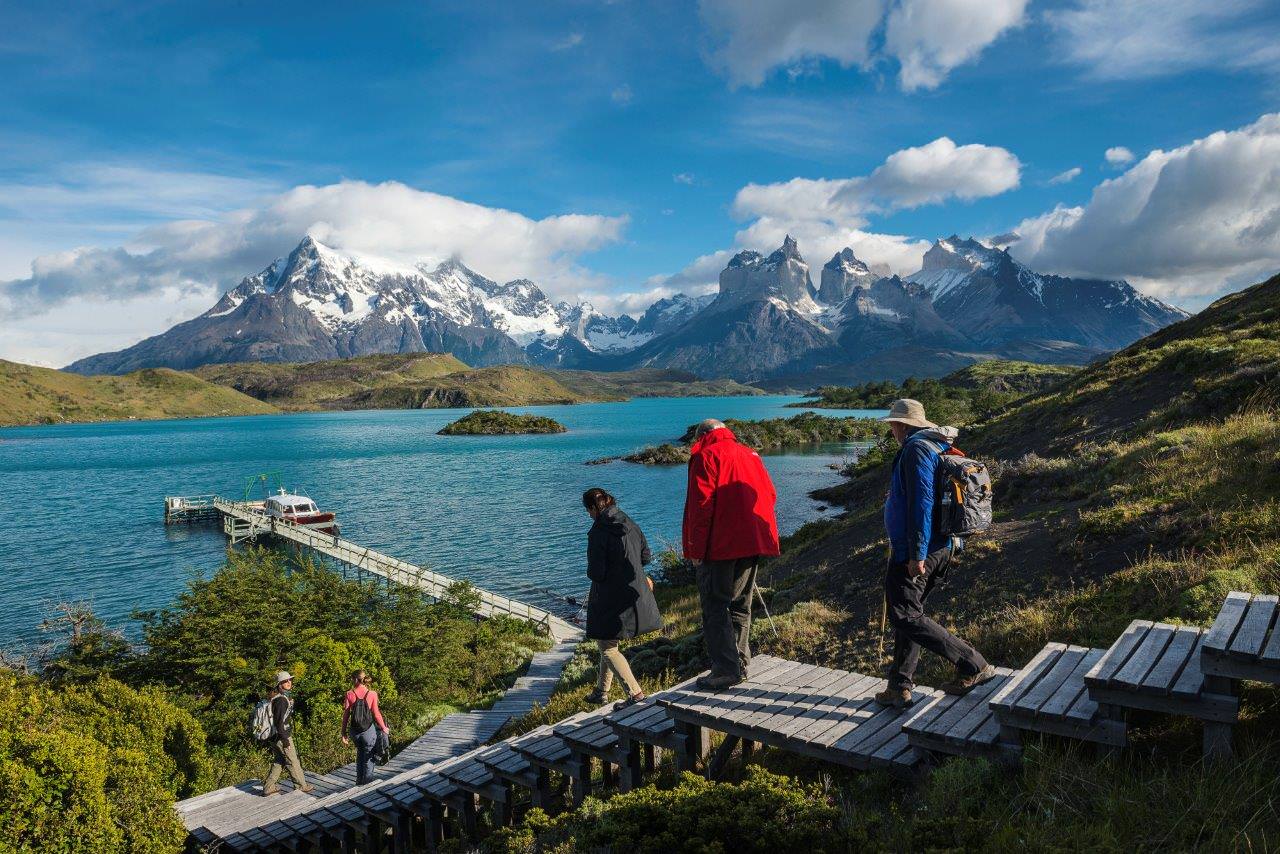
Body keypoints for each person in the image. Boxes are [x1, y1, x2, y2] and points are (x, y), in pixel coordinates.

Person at [874, 399, 996, 707]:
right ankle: (899, 687)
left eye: (893, 425)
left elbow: (923, 503)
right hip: (941, 545)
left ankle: (973, 663)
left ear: (901, 425)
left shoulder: (915, 449)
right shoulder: (936, 446)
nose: (892, 431)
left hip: (920, 550)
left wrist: (916, 554)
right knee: (910, 614)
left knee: (904, 615)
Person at [682, 419, 780, 690]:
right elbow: (769, 494)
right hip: (751, 542)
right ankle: (740, 662)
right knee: (740, 605)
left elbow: (701, 507)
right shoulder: (750, 454)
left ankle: (726, 670)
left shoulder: (706, 456)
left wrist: (695, 550)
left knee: (715, 607)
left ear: (702, 435)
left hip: (719, 546)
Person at [581, 488, 663, 710]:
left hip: (609, 595)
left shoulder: (598, 532)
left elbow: (596, 573)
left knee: (607, 646)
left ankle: (635, 694)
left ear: (593, 508)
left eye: (588, 511)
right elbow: (646, 556)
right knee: (607, 641)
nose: (588, 515)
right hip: (633, 591)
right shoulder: (629, 522)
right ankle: (601, 691)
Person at [263, 671, 315, 796]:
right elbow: (279, 722)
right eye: (285, 681)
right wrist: (285, 740)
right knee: (292, 761)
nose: (289, 682)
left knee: (279, 760)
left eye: (290, 680)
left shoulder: (278, 697)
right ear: (279, 684)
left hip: (273, 736)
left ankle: (268, 787)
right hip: (282, 736)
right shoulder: (281, 700)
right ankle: (301, 786)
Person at [341, 669, 390, 785]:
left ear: (355, 679)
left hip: (355, 732)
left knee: (360, 753)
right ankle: (367, 784)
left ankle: (359, 781)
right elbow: (376, 713)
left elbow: (346, 715)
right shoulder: (372, 694)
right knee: (369, 756)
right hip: (368, 731)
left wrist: (343, 733)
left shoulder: (349, 694)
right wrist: (384, 727)